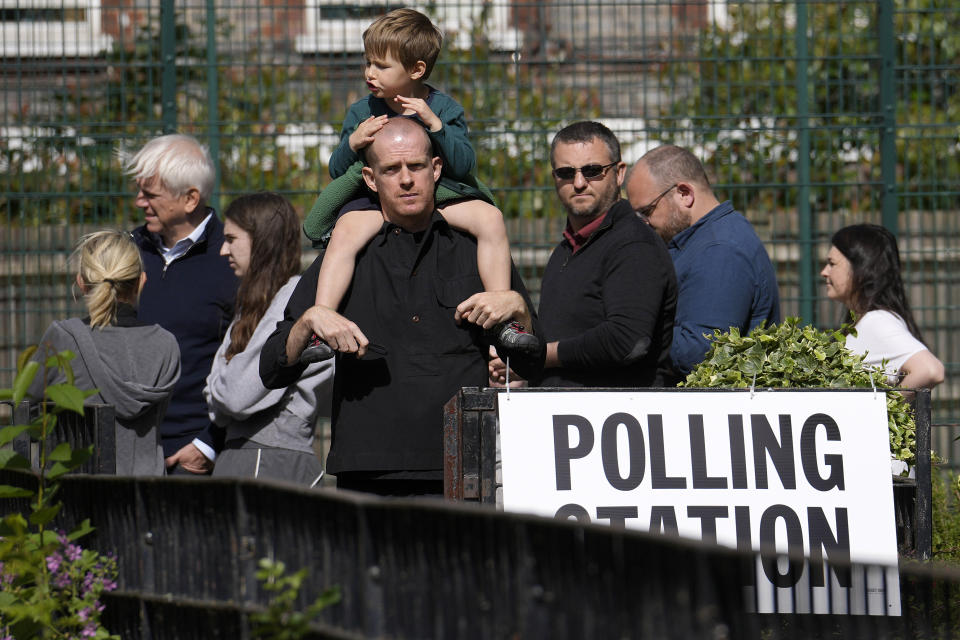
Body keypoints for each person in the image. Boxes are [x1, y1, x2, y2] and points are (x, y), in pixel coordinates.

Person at [260, 117, 541, 496]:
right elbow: (272, 367)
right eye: (391, 170)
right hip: (367, 472)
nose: (406, 179)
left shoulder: (478, 245)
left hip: (465, 466)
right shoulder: (346, 253)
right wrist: (310, 319)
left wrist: (519, 310)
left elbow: (532, 364)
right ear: (371, 180)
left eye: (416, 167)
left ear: (436, 169)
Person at [298, 8, 537, 364]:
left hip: (438, 195)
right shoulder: (361, 111)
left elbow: (464, 166)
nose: (369, 73)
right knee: (346, 230)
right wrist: (353, 144)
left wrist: (436, 126)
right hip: (375, 198)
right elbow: (337, 170)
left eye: (381, 66)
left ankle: (501, 321)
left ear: (416, 70)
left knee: (490, 219)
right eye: (368, 63)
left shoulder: (443, 107)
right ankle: (322, 322)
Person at [502, 121, 676, 388]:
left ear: (619, 174)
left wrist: (541, 356)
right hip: (564, 418)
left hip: (615, 420)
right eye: (566, 172)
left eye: (593, 171)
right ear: (554, 179)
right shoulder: (566, 249)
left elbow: (628, 341)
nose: (579, 183)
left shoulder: (634, 245)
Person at [126, 133, 239, 474]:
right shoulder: (130, 251)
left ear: (191, 198)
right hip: (127, 447)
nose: (139, 202)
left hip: (194, 456)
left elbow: (251, 360)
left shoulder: (231, 258)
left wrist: (209, 442)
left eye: (150, 194)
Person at [204, 193, 333, 485]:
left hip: (275, 460)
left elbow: (232, 396)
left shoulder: (294, 297)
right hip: (242, 455)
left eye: (232, 239)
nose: (224, 250)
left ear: (261, 240)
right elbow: (216, 400)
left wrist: (224, 384)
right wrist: (224, 387)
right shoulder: (251, 304)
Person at [28, 230, 180, 476]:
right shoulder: (166, 344)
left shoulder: (63, 339)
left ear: (81, 282)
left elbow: (28, 409)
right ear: (141, 281)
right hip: (145, 496)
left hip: (75, 493)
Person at [625, 144, 780, 382]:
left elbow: (700, 352)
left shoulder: (721, 250)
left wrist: (629, 330)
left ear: (684, 193)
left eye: (647, 211)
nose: (643, 222)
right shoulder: (699, 241)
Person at [822, 223, 944, 390]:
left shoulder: (877, 321)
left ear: (861, 267)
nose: (824, 272)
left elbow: (930, 370)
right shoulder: (867, 320)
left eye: (832, 263)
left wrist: (884, 410)